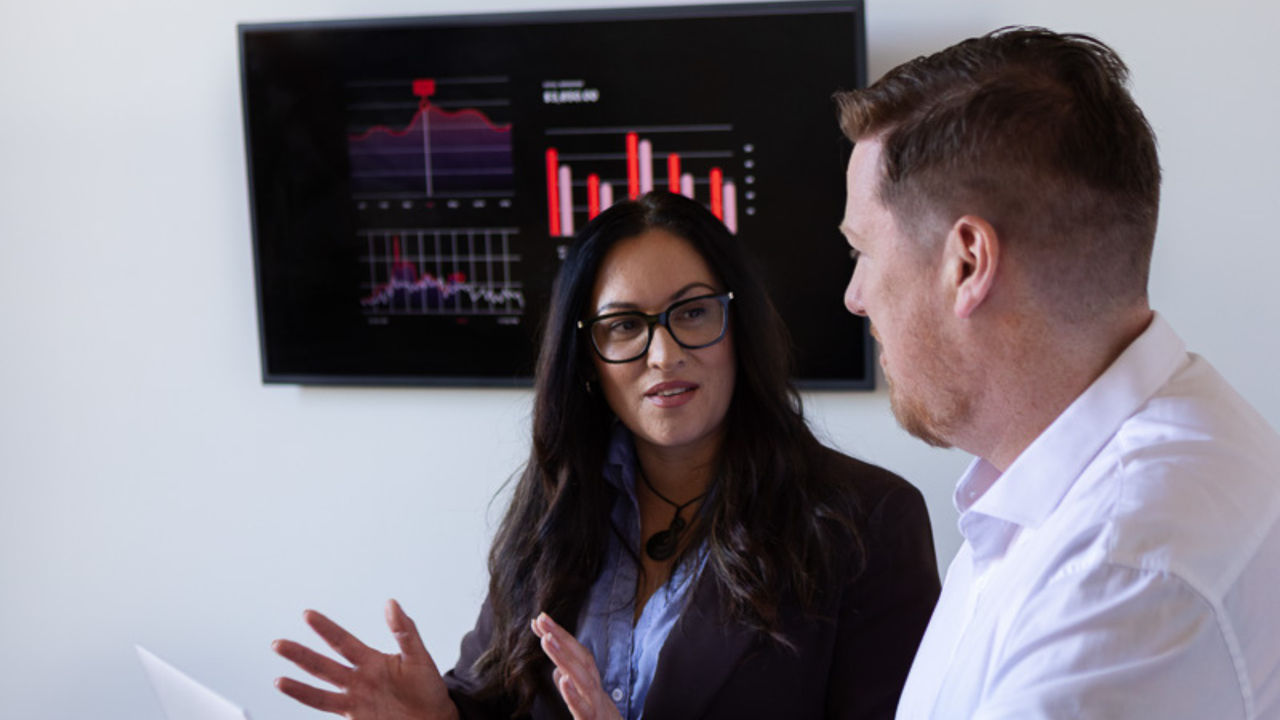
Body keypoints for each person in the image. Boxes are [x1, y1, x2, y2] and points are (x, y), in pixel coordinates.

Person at [272, 191, 941, 720]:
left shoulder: (866, 521)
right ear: (588, 359)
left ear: (738, 326)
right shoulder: (555, 504)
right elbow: (495, 698)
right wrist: (441, 716)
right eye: (624, 326)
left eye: (693, 312)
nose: (664, 355)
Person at [833, 26, 1280, 719]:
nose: (854, 297)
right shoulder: (1075, 478)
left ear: (968, 263)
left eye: (862, 251)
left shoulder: (1119, 567)